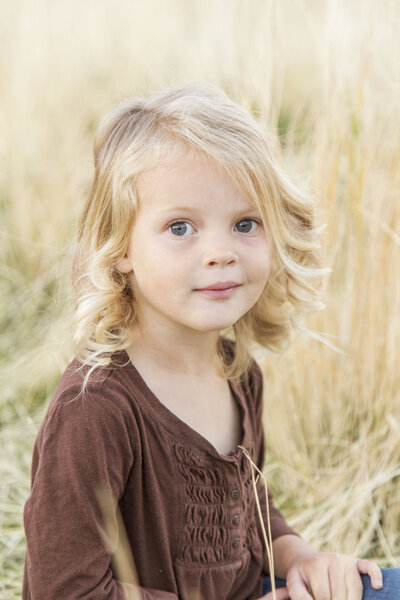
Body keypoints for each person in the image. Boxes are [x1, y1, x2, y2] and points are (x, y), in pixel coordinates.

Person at [22, 83, 396, 600]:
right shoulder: (94, 412)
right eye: (180, 227)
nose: (221, 251)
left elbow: (246, 507)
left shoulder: (238, 371)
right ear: (120, 246)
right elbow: (62, 591)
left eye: (245, 223)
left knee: (383, 586)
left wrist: (299, 557)